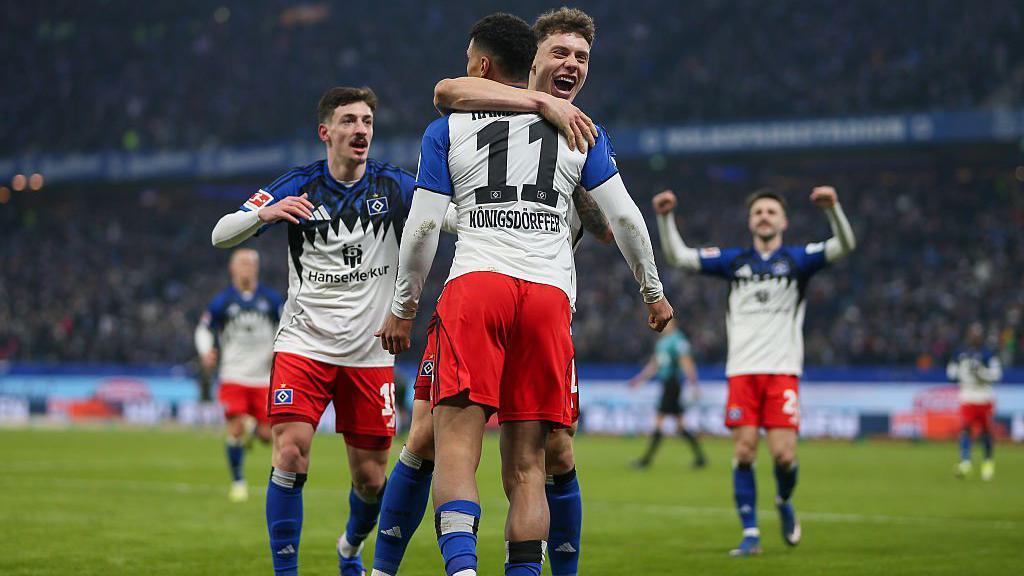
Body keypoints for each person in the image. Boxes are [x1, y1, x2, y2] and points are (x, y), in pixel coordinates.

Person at [377, 6, 673, 574]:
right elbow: (627, 223)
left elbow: (420, 227)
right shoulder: (583, 133)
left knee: (456, 449)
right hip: (546, 300)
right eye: (560, 53)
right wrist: (652, 292)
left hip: (477, 288)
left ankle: (461, 568)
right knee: (528, 466)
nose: (571, 65)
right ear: (531, 60)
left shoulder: (449, 129)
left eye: (581, 57)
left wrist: (403, 308)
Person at [210, 86, 416, 576]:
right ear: (326, 132)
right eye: (349, 121)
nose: (360, 130)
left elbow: (444, 215)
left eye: (367, 121)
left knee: (370, 480)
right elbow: (221, 233)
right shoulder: (297, 185)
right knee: (289, 454)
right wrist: (264, 213)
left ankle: (349, 546)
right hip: (304, 346)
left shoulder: (394, 186)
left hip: (369, 353)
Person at [654, 185, 855, 556]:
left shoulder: (799, 260)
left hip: (782, 373)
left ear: (784, 221)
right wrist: (665, 218)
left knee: (783, 456)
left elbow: (844, 244)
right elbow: (679, 257)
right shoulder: (734, 261)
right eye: (758, 211)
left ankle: (782, 500)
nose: (764, 216)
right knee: (744, 451)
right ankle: (750, 534)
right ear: (750, 221)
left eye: (771, 212)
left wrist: (833, 210)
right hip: (742, 373)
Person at [194, 248, 283, 502]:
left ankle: (253, 426)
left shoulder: (272, 300)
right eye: (241, 263)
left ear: (257, 267)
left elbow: (287, 326)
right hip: (233, 375)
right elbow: (203, 329)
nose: (246, 267)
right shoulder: (222, 301)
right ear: (232, 269)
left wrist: (280, 350)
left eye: (250, 263)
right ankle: (238, 481)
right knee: (234, 428)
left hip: (264, 378)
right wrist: (205, 351)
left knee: (268, 437)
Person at [628, 319, 707, 469]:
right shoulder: (662, 342)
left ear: (673, 324)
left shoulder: (678, 340)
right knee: (680, 426)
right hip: (667, 384)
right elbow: (655, 365)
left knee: (659, 421)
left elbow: (686, 362)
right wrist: (639, 379)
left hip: (672, 384)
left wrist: (694, 383)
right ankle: (700, 458)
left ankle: (646, 460)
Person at [948, 322, 1002, 481]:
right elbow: (951, 372)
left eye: (977, 334)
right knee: (965, 429)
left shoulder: (988, 354)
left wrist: (981, 373)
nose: (975, 336)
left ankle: (987, 463)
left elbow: (997, 375)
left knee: (986, 433)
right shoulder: (960, 353)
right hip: (968, 397)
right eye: (973, 333)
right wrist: (958, 373)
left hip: (984, 398)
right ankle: (965, 462)